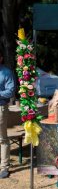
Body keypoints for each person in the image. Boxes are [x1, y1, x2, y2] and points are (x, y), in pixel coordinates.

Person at [0, 49, 16, 179]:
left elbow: (10, 91)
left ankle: (4, 167)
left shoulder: (6, 72)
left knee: (2, 138)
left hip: (1, 107)